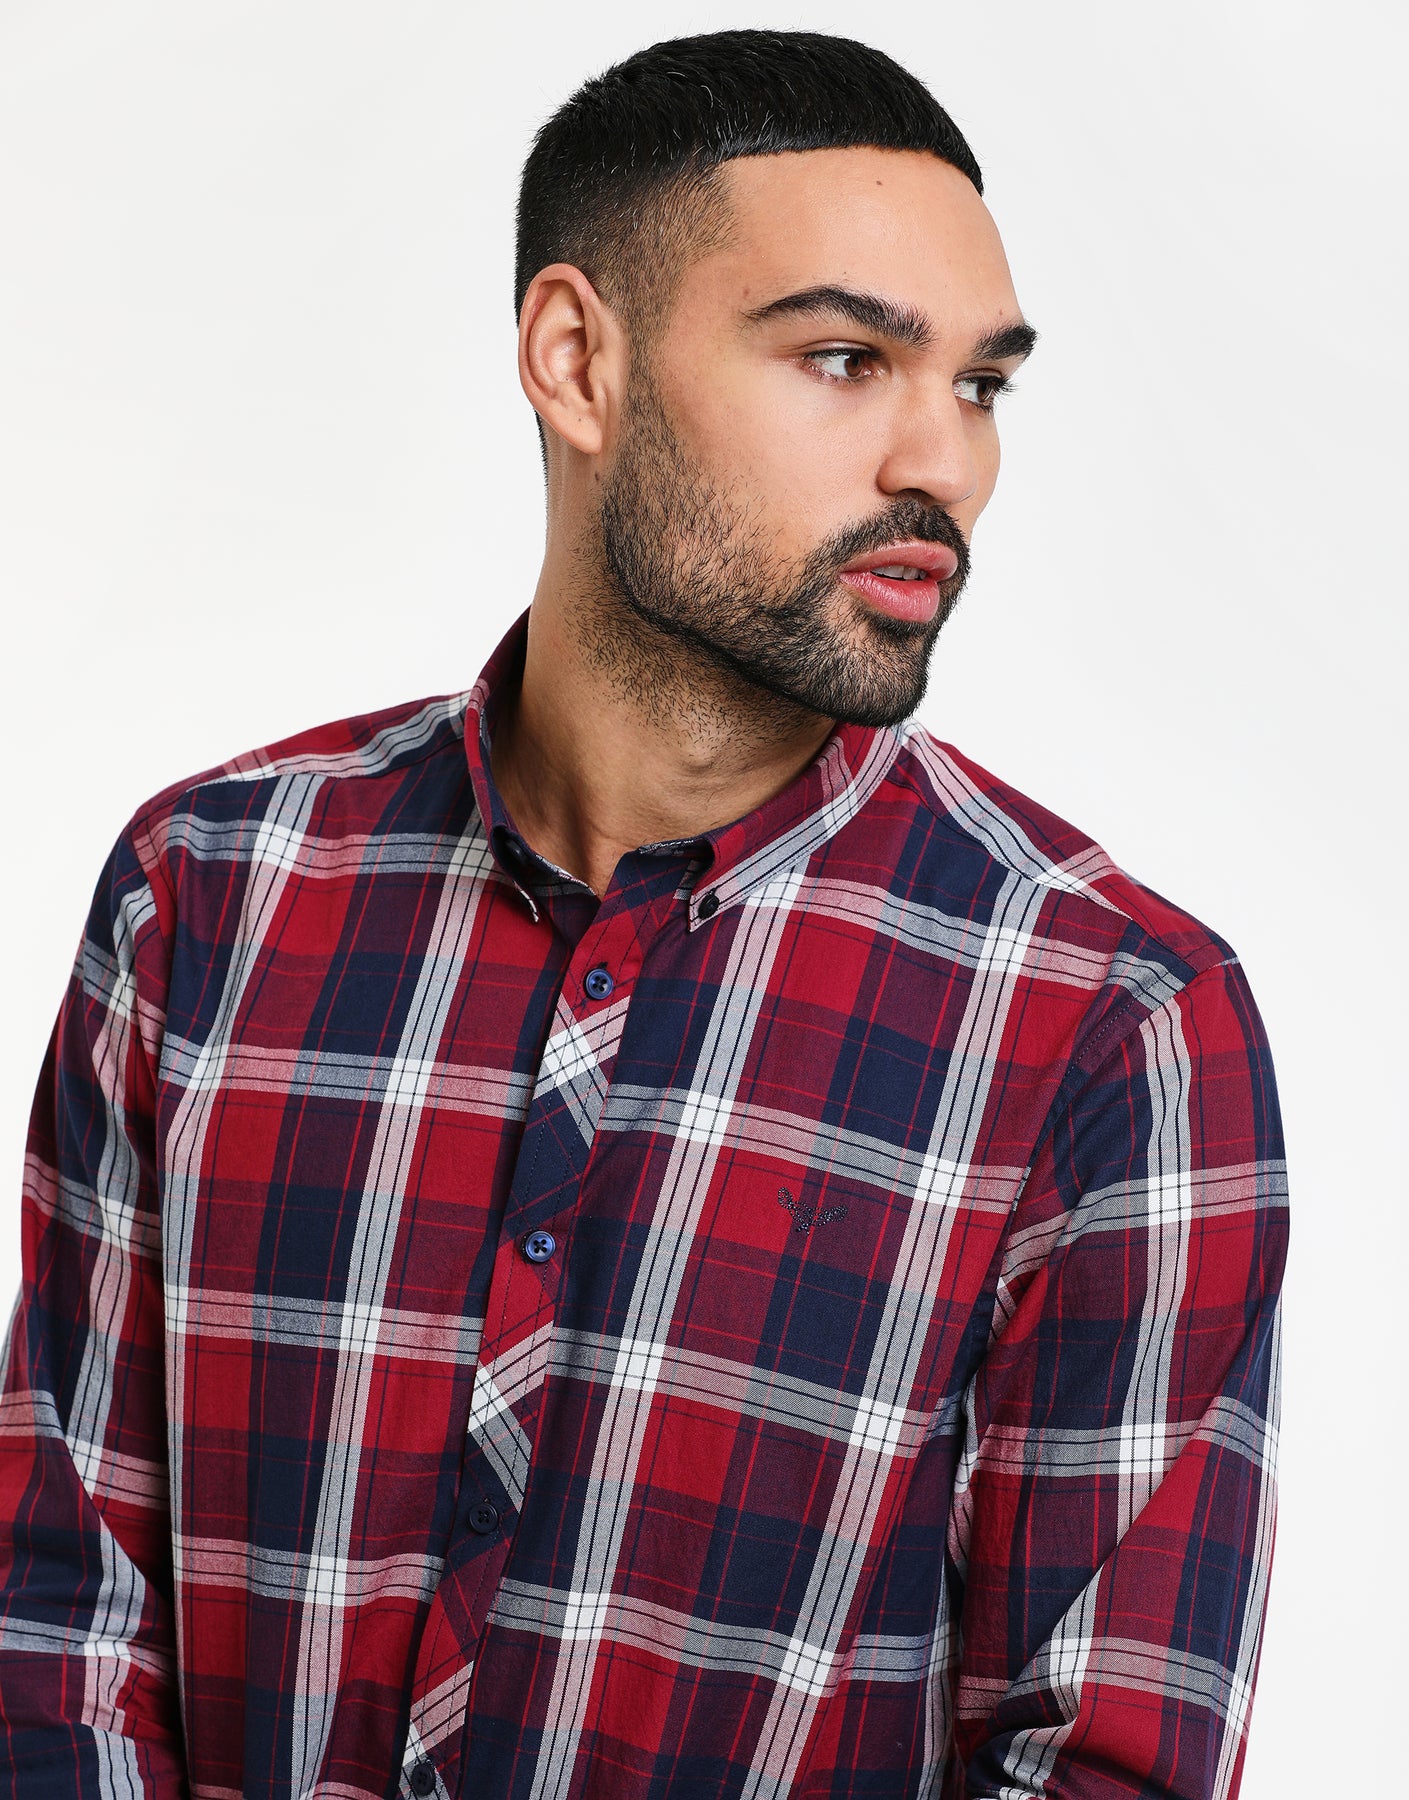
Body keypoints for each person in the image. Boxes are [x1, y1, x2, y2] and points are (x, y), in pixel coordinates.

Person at [0, 28, 1287, 1800]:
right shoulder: (210, 890)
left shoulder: (1112, 1023)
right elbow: (62, 1622)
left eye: (981, 384)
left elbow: (1102, 1759)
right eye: (844, 359)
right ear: (575, 359)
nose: (944, 461)